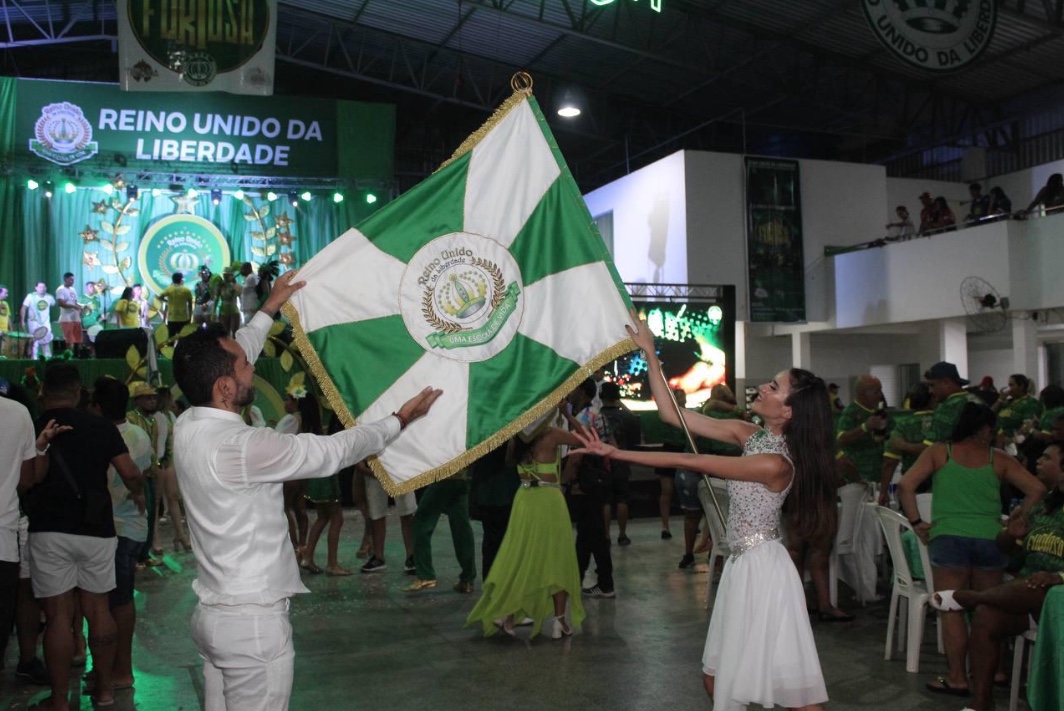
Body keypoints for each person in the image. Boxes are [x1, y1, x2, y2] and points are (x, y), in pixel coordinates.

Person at [171, 269, 441, 711]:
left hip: (214, 615)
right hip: (251, 626)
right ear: (223, 387)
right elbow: (334, 451)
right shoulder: (243, 446)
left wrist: (270, 308)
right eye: (244, 366)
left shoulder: (187, 425)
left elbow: (241, 352)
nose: (252, 367)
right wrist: (399, 420)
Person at [573, 315, 832, 710]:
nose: (763, 385)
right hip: (743, 566)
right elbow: (672, 416)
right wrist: (650, 356)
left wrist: (615, 452)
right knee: (716, 682)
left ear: (789, 412)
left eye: (774, 386)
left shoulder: (777, 464)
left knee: (786, 689)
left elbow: (695, 462)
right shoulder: (751, 435)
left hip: (763, 572)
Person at [898, 403, 1045, 697]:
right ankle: (995, 671)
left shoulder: (941, 452)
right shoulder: (997, 458)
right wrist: (1020, 517)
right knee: (988, 606)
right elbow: (1037, 489)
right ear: (984, 428)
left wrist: (916, 522)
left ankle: (956, 677)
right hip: (991, 540)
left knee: (951, 607)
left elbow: (905, 484)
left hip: (948, 538)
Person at [23, 362, 145, 711]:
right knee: (99, 608)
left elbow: (25, 478)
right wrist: (139, 491)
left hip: (48, 529)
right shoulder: (101, 427)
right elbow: (129, 472)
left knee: (59, 616)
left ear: (43, 391)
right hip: (97, 529)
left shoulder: (32, 426)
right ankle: (105, 692)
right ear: (78, 393)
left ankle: (60, 701)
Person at [929, 440, 1064, 711]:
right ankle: (982, 702)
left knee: (1036, 586)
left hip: (1056, 597)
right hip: (1028, 596)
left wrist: (1058, 576)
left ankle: (972, 597)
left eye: (1047, 458)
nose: (1039, 461)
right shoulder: (1044, 505)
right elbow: (1008, 552)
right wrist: (1010, 535)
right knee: (986, 617)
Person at [466, 408, 588, 640]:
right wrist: (568, 415)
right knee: (557, 558)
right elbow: (585, 440)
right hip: (549, 500)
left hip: (524, 500)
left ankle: (509, 613)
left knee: (523, 557)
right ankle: (559, 622)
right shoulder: (551, 435)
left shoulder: (516, 438)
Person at [83, 377, 152, 695]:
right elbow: (143, 479)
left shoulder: (97, 434)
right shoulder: (139, 434)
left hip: (111, 528)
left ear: (97, 406)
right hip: (134, 526)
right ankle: (117, 668)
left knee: (108, 604)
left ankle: (114, 671)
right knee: (120, 601)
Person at [300, 400, 354, 577]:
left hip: (315, 473)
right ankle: (332, 563)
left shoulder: (307, 425)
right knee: (336, 518)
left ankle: (307, 556)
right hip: (327, 474)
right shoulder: (330, 425)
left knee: (322, 517)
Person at [403, 466, 477, 594]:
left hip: (444, 476)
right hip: (462, 477)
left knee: (421, 523)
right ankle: (467, 579)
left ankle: (425, 575)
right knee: (461, 529)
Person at [599, 381, 641, 546]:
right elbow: (636, 423)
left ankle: (606, 535)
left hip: (602, 462)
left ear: (601, 396)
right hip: (622, 460)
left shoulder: (597, 415)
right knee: (622, 499)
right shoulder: (626, 417)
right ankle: (623, 534)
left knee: (606, 501)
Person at [880, 382, 935, 505]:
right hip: (942, 488)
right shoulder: (943, 422)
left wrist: (883, 492)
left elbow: (889, 462)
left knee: (911, 523)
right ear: (932, 398)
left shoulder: (903, 425)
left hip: (912, 490)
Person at [21, 281, 56, 359]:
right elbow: (23, 308)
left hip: (46, 323)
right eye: (40, 287)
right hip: (34, 323)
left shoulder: (50, 297)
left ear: (46, 288)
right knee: (34, 342)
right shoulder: (30, 297)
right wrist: (22, 320)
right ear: (36, 288)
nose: (42, 289)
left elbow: (53, 305)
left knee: (46, 342)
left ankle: (48, 359)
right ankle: (34, 359)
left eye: (44, 287)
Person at [158, 272, 194, 338]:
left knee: (171, 340)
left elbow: (160, 297)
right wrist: (190, 318)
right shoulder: (187, 290)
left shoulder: (169, 289)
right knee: (183, 340)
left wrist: (167, 301)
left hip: (172, 319)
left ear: (172, 279)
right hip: (183, 319)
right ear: (181, 279)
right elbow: (190, 306)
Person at [55, 273, 82, 354]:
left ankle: (77, 355)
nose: (72, 281)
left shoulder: (73, 290)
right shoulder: (60, 289)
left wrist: (80, 307)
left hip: (75, 317)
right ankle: (69, 356)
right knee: (69, 340)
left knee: (78, 339)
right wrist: (73, 307)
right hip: (66, 318)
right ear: (65, 279)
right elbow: (61, 303)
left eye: (73, 280)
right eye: (70, 280)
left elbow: (75, 302)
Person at [80, 281, 102, 357]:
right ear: (86, 288)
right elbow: (78, 311)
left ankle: (96, 354)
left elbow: (98, 313)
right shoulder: (82, 298)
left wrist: (102, 317)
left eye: (93, 286)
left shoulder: (97, 299)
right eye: (90, 286)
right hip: (87, 323)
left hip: (96, 323)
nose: (92, 288)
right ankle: (92, 353)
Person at [239, 262, 259, 326]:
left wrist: (232, 283)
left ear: (248, 268)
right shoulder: (252, 276)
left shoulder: (250, 277)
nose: (241, 271)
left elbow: (242, 290)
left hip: (250, 308)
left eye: (243, 269)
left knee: (248, 327)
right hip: (250, 308)